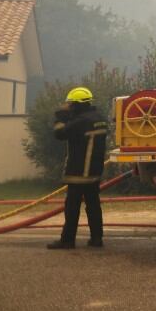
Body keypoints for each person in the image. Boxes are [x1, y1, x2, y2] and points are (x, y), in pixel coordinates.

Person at [47, 87, 108, 250]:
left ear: (76, 104)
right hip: (95, 171)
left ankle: (67, 240)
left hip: (78, 172)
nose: (69, 107)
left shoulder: (81, 121)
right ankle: (96, 239)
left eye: (71, 104)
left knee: (72, 207)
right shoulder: (100, 118)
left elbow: (60, 133)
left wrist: (60, 116)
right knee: (93, 205)